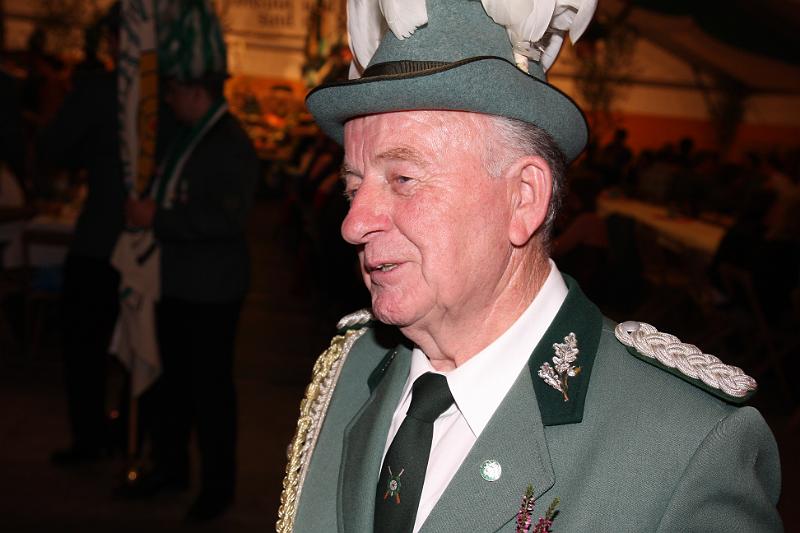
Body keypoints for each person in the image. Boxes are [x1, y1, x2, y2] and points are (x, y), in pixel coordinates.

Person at [277, 1, 783, 532]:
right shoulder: (347, 370)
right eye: (353, 188)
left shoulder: (684, 450)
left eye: (403, 179)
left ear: (523, 198)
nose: (353, 224)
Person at [124, 3, 259, 522]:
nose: (170, 99)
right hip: (178, 280)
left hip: (211, 288)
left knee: (210, 391)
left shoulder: (229, 143)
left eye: (176, 91)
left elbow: (224, 219)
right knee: (174, 383)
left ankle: (217, 488)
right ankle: (171, 466)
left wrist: (156, 218)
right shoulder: (189, 134)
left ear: (197, 91)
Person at [42, 3, 125, 467]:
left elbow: (54, 146)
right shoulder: (163, 94)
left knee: (84, 345)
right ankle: (127, 436)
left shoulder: (100, 90)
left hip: (100, 241)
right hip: (153, 246)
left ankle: (90, 437)